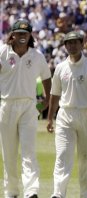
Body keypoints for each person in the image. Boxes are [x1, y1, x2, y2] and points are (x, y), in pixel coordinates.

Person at [46, 31, 87, 198]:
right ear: (65, 46)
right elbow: (55, 94)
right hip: (65, 114)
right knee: (63, 155)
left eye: (75, 42)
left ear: (82, 44)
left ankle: (86, 194)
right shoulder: (60, 68)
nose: (72, 45)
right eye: (68, 43)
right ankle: (58, 193)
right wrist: (50, 118)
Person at [0, 19, 51, 198]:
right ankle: (11, 192)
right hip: (6, 105)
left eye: (25, 34)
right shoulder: (2, 53)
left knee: (28, 151)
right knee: (9, 153)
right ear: (12, 35)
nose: (22, 37)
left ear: (30, 36)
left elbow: (46, 77)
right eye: (19, 33)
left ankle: (31, 191)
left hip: (28, 107)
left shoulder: (37, 56)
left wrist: (47, 100)